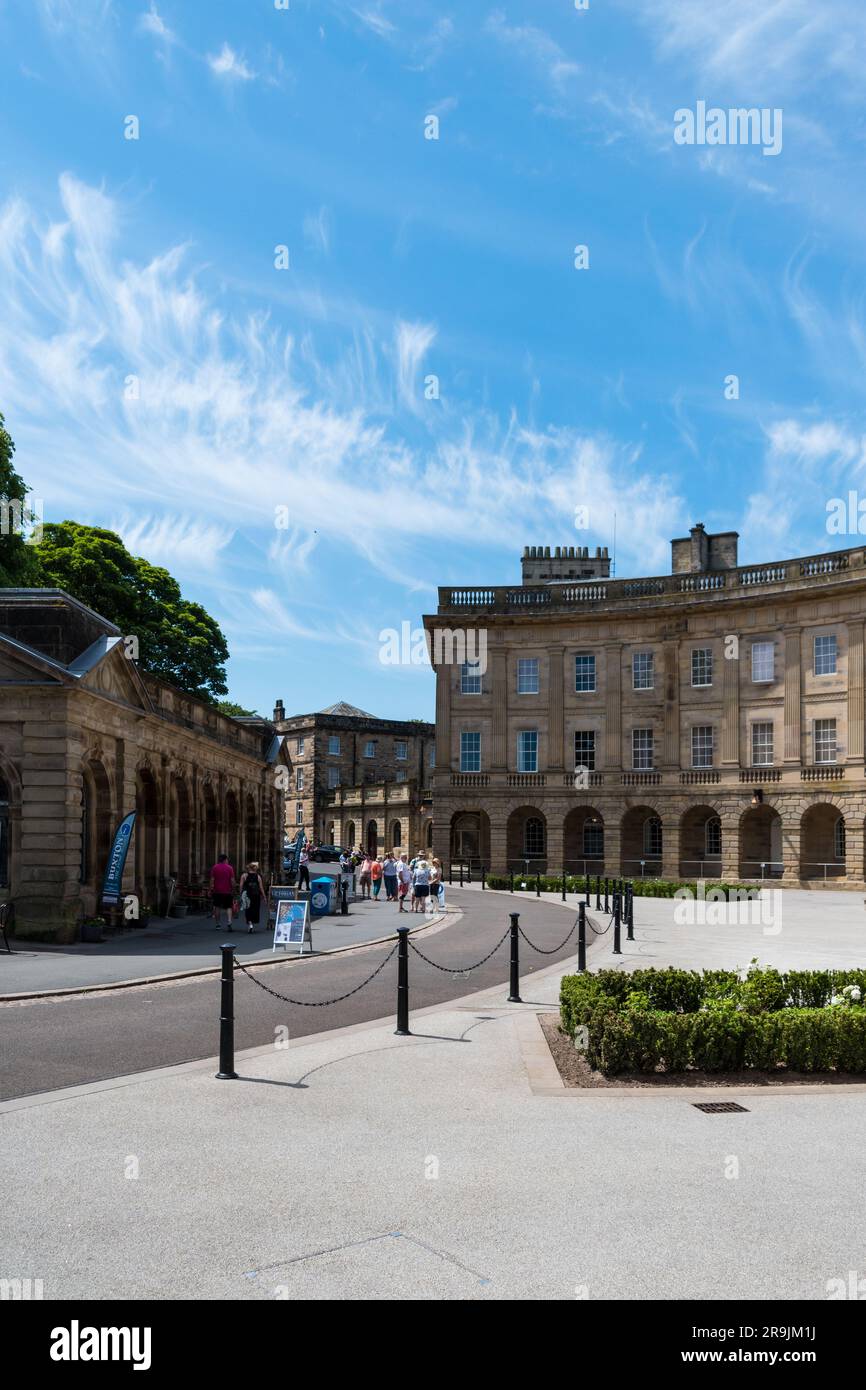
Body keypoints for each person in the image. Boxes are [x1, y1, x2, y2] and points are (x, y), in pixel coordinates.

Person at [210, 853, 235, 931]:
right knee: (229, 907)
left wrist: (211, 888)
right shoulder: (230, 868)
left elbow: (212, 880)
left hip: (217, 891)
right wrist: (234, 888)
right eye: (227, 859)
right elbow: (232, 880)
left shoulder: (215, 867)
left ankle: (218, 924)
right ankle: (229, 922)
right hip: (227, 891)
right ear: (225, 860)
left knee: (217, 907)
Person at [239, 861, 265, 934]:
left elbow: (241, 885)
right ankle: (252, 923)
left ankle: (250, 923)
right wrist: (264, 896)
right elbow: (261, 887)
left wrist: (240, 893)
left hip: (247, 895)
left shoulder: (244, 876)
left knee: (248, 909)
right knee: (255, 909)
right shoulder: (258, 876)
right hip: (256, 895)